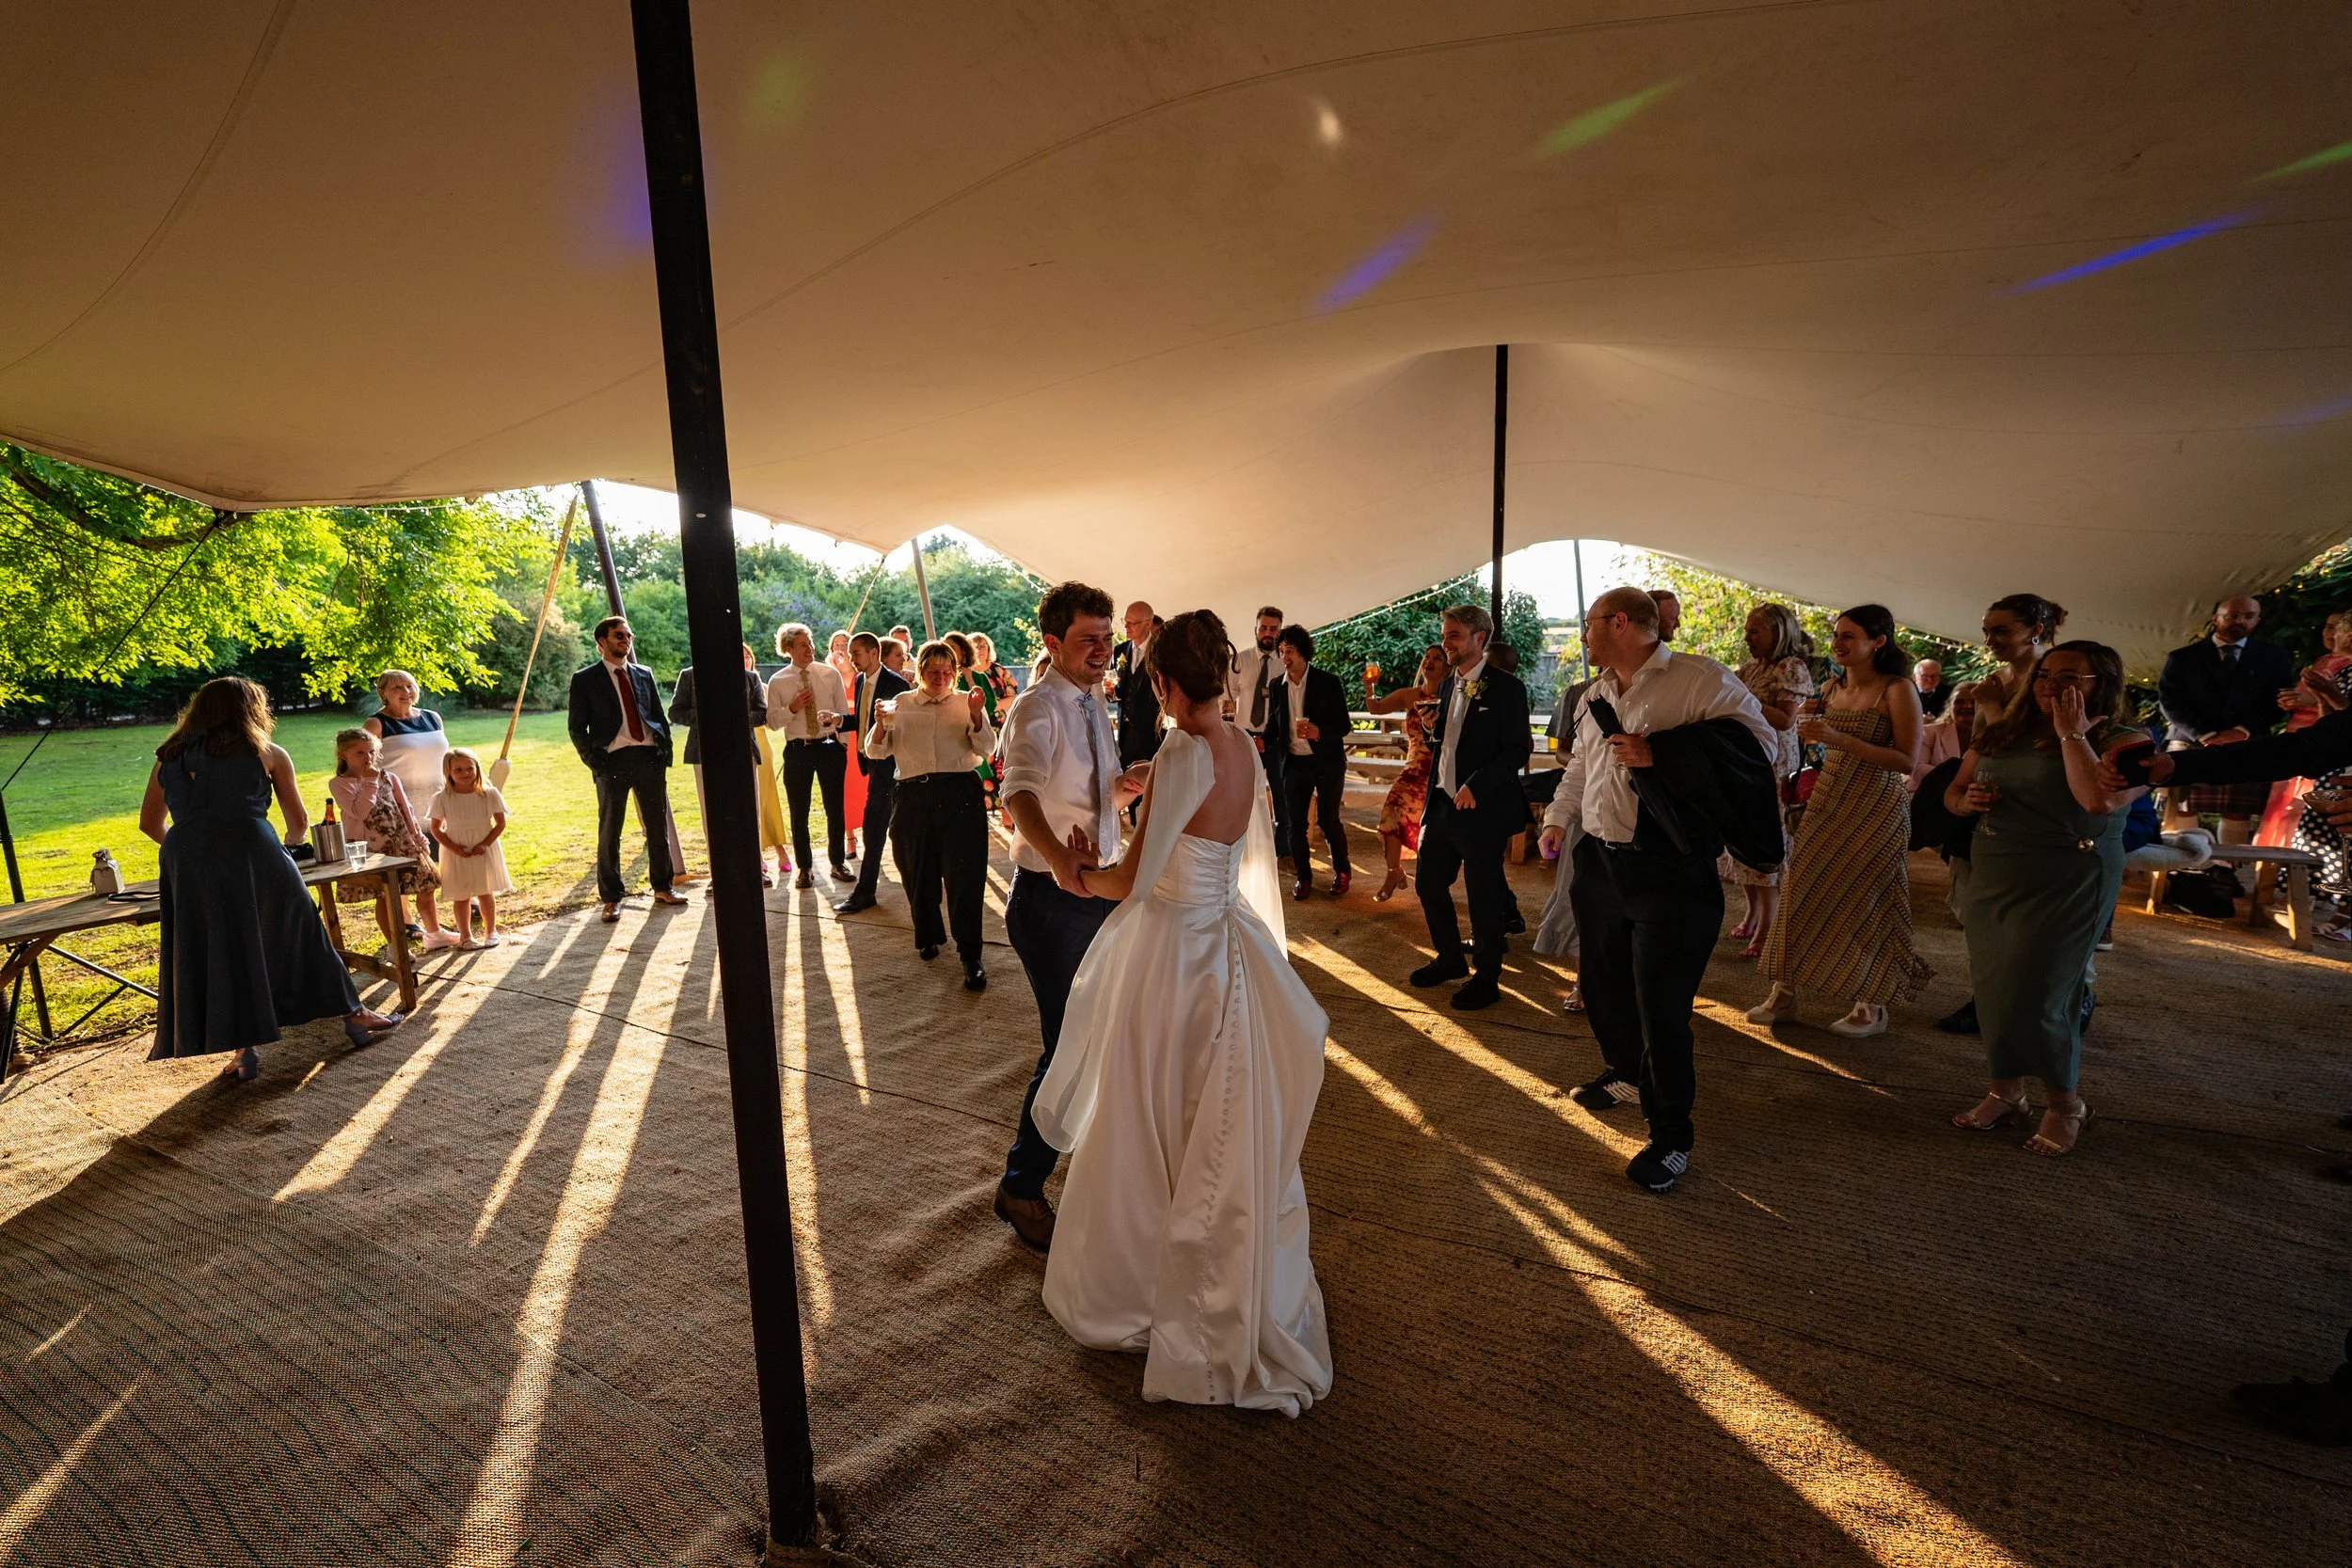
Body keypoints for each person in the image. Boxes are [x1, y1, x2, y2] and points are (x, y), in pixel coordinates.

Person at [1030, 609, 1332, 1415]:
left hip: (1169, 956)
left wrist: (1077, 872)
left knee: (1145, 1113)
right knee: (1213, 1113)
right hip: (1225, 949)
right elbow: (1222, 848)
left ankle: (1135, 1289)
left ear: (1163, 683)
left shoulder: (1179, 751)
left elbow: (1132, 880)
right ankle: (1214, 1265)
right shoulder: (1241, 748)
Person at [1539, 589, 1779, 1191]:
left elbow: (1763, 748)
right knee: (1601, 985)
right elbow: (1581, 769)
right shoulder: (1597, 693)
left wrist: (1662, 754)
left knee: (1661, 1008)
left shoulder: (1699, 680)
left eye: (1590, 623)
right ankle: (1624, 1072)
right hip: (1600, 865)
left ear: (1620, 623)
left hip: (1671, 870)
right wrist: (1557, 820)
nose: (1583, 634)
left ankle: (1671, 1135)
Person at [138, 677, 403, 1081]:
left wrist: (191, 851)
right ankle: (355, 1014)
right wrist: (279, 850)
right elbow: (297, 822)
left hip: (188, 864)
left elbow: (150, 823)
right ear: (251, 710)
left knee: (226, 948)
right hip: (253, 851)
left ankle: (245, 1051)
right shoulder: (268, 753)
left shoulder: (167, 756)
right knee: (302, 934)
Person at [993, 581, 1147, 1252]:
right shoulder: (1038, 706)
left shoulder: (1091, 704)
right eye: (1088, 639)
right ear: (1052, 643)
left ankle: (1082, 1175)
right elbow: (1020, 790)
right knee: (1068, 1048)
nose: (1102, 651)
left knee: (1095, 1039)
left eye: (1107, 638)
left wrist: (1126, 783)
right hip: (1051, 900)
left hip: (1093, 890)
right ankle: (1021, 1186)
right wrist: (1058, 858)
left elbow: (1086, 789)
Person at [1945, 642, 2143, 1155]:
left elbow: (2097, 800)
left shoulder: (2128, 740)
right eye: (2044, 674)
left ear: (2102, 682)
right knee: (1994, 987)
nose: (2051, 685)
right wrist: (1965, 801)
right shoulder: (2003, 732)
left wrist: (2071, 734)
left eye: (2069, 676)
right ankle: (2006, 1092)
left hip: (2071, 876)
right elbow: (1955, 789)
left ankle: (2065, 1104)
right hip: (1997, 871)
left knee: (2046, 992)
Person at [1752, 605, 1930, 1037]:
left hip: (1877, 804)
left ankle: (1872, 1004)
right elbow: (1809, 738)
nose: (1837, 643)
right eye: (1836, 635)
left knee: (1867, 898)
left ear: (1878, 641)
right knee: (1802, 889)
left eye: (1849, 636)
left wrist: (1838, 738)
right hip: (1829, 796)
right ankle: (1785, 992)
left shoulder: (1898, 689)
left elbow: (1907, 760)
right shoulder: (1830, 687)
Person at [1934, 593, 2067, 1034]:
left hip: (2040, 811)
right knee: (1982, 916)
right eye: (1987, 629)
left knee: (2039, 922)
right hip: (1990, 808)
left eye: (2001, 630)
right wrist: (1961, 794)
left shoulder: (2054, 680)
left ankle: (2071, 997)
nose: (1990, 639)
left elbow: (2036, 750)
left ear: (2036, 630)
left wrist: (1990, 706)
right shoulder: (1994, 679)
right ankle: (1988, 999)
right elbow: (1982, 747)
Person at [1410, 603, 1531, 1011]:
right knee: (1428, 884)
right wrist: (1431, 729)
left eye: (1454, 636)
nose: (1446, 643)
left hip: (1482, 810)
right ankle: (1449, 959)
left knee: (1483, 897)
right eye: (1445, 635)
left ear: (1480, 639)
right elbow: (1448, 743)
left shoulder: (1508, 688)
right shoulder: (1447, 685)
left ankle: (1488, 977)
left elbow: (1517, 749)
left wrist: (1476, 785)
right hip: (1442, 803)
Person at [868, 641, 997, 988]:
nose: (940, 678)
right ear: (920, 673)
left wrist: (974, 714)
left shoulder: (966, 702)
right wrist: (880, 723)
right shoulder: (901, 705)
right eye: (932, 672)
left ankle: (971, 954)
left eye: (946, 672)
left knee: (965, 877)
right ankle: (927, 934)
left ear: (954, 673)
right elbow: (875, 751)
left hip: (960, 793)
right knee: (916, 870)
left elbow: (987, 749)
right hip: (913, 794)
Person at [567, 616, 688, 924]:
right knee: (611, 830)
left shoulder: (643, 674)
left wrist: (664, 752)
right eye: (619, 635)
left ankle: (663, 887)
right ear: (602, 644)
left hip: (649, 758)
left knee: (657, 828)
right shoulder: (585, 679)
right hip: (613, 762)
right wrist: (595, 760)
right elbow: (577, 728)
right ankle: (611, 898)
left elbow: (658, 717)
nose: (626, 640)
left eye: (629, 635)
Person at [2157, 595, 2296, 857]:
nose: (2239, 621)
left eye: (2248, 616)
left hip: (2248, 740)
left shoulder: (2274, 657)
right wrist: (2205, 734)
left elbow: (2278, 701)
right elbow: (2169, 701)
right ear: (2216, 618)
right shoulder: (2183, 657)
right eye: (2232, 615)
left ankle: (2226, 872)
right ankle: (2183, 868)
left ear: (2257, 620)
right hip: (2190, 739)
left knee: (2237, 809)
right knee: (2183, 804)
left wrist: (2241, 731)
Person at [1722, 603, 1815, 961]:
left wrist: (1745, 701)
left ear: (1779, 633)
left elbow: (1785, 719)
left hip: (1774, 769)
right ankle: (1752, 913)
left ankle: (1768, 929)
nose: (1748, 637)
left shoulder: (1790, 668)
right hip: (1744, 764)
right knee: (1741, 845)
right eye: (1747, 631)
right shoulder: (1749, 669)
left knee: (1766, 845)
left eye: (1755, 631)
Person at [669, 641, 789, 887]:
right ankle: (718, 876)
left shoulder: (750, 677)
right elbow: (675, 712)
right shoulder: (688, 676)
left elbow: (762, 713)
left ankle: (755, 869)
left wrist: (734, 718)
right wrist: (707, 715)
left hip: (744, 752)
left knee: (749, 812)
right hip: (704, 754)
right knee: (710, 815)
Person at [328, 727, 450, 949]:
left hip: (401, 841)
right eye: (360, 753)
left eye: (371, 752)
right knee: (384, 897)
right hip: (371, 849)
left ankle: (434, 933)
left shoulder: (389, 777)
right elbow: (359, 812)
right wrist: (369, 782)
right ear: (342, 755)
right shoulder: (339, 784)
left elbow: (406, 809)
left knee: (427, 884)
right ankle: (395, 946)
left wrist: (418, 836)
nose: (368, 758)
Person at [1264, 624, 1352, 899]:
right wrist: (1259, 740)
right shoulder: (1277, 686)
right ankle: (1304, 877)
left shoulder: (1329, 682)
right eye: (1281, 651)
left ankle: (1342, 872)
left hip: (1326, 762)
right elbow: (1273, 727)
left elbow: (1344, 725)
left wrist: (1319, 732)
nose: (1284, 657)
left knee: (1328, 820)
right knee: (1294, 824)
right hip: (1294, 763)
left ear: (1304, 652)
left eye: (1289, 651)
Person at [766, 622, 853, 889]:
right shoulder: (778, 680)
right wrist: (791, 708)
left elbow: (843, 713)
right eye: (803, 645)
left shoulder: (829, 674)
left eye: (811, 643)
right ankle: (804, 868)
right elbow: (771, 722)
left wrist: (843, 745)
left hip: (829, 747)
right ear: (789, 648)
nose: (810, 648)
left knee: (835, 808)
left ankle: (838, 863)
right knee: (799, 811)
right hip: (798, 750)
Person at [2256, 613, 2352, 851]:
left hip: (2339, 757)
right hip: (2317, 742)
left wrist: (2323, 697)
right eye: (2329, 627)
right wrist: (2319, 699)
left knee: (2319, 817)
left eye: (2338, 628)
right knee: (2297, 812)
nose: (2334, 634)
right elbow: (2330, 718)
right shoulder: (2325, 663)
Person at [834, 632, 912, 914]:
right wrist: (840, 719)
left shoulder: (896, 684)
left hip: (890, 768)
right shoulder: (859, 680)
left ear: (873, 653)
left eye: (856, 652)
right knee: (878, 828)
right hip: (871, 762)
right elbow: (865, 719)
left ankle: (865, 892)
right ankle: (869, 890)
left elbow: (898, 728)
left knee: (876, 827)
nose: (850, 657)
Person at [1362, 645, 1445, 902]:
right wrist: (1369, 686)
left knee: (1432, 830)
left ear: (1447, 667)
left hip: (1440, 772)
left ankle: (1433, 884)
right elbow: (1375, 709)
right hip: (1412, 769)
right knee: (1391, 814)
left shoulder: (1452, 695)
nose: (1429, 662)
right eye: (1427, 657)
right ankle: (1393, 872)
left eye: (1437, 658)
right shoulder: (1409, 695)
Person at [1533, 671, 1594, 1013]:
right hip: (1585, 808)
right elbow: (1564, 756)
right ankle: (1582, 984)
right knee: (1578, 896)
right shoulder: (1579, 694)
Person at [428, 748, 514, 948]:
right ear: (448, 772)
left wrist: (485, 843)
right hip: (456, 849)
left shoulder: (489, 794)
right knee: (461, 894)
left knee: (485, 891)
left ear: (477, 768)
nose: (465, 773)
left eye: (469, 768)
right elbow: (436, 828)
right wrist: (454, 848)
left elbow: (500, 823)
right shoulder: (442, 798)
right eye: (458, 770)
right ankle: (465, 936)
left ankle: (490, 931)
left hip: (484, 846)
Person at [362, 669, 450, 848]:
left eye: (410, 686)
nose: (406, 692)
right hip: (399, 804)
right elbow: (363, 764)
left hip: (438, 800)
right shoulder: (376, 724)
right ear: (383, 692)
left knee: (447, 862)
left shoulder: (433, 718)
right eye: (397, 688)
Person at [1227, 607, 1291, 850]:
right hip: (1244, 735)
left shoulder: (1286, 663)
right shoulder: (1239, 660)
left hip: (1274, 737)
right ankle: (1243, 841)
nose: (1267, 633)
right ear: (1255, 629)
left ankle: (1282, 847)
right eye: (1263, 628)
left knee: (1280, 791)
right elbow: (1227, 698)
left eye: (1273, 629)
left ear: (1279, 631)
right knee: (1243, 792)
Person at [945, 631, 1005, 810]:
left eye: (952, 647)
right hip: (951, 739)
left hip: (974, 738)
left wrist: (970, 679)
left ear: (963, 651)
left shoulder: (980, 677)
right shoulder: (943, 677)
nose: (947, 650)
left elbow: (990, 705)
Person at [1112, 601, 1165, 769]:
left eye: (1132, 623)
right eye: (1125, 621)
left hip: (1152, 735)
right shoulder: (1120, 650)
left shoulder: (1160, 650)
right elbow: (1122, 689)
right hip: (1125, 735)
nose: (1126, 626)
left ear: (1148, 624)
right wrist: (1111, 691)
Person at [1911, 680, 1977, 794]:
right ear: (1950, 705)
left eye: (1974, 702)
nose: (1967, 706)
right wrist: (1962, 779)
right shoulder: (1929, 732)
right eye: (1960, 702)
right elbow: (1916, 769)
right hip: (1928, 799)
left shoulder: (1993, 738)